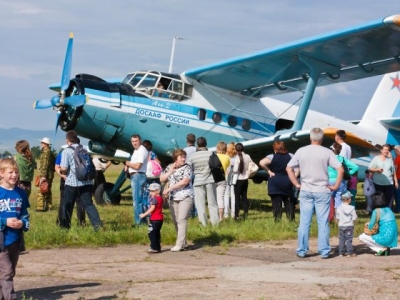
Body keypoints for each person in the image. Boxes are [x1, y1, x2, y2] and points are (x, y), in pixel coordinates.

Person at [286, 127, 344, 259]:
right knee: (322, 222)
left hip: (306, 189)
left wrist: (296, 183)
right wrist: (335, 186)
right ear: (322, 139)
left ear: (310, 138)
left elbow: (289, 167)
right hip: (322, 190)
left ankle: (302, 250)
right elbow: (340, 170)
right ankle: (324, 251)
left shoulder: (301, 151)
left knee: (304, 221)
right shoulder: (327, 152)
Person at [0, 158, 30, 299]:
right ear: (1, 173)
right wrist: (4, 221)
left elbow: (24, 213)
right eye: (10, 172)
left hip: (15, 240)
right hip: (1, 241)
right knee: (6, 272)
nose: (14, 175)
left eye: (16, 172)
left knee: (10, 272)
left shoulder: (21, 193)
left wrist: (23, 223)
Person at [59, 131, 102, 231]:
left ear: (67, 140)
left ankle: (65, 227)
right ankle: (97, 226)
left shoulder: (66, 151)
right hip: (87, 182)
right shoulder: (84, 149)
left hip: (72, 183)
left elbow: (64, 168)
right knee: (88, 204)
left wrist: (62, 171)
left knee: (68, 204)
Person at [160, 149, 194, 251]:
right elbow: (162, 179)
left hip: (185, 196)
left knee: (181, 219)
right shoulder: (170, 166)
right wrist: (171, 171)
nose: (184, 159)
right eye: (181, 157)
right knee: (175, 221)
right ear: (176, 158)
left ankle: (179, 244)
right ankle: (183, 242)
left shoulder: (187, 167)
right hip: (173, 198)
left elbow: (185, 181)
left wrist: (169, 188)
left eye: (184, 157)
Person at [260, 141, 295, 222]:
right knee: (288, 203)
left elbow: (261, 162)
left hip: (274, 182)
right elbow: (298, 165)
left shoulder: (271, 156)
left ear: (274, 149)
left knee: (276, 203)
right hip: (287, 181)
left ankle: (277, 220)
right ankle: (291, 220)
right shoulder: (290, 156)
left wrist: (269, 171)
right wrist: (294, 175)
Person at [187, 137, 218, 226]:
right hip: (210, 180)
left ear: (197, 145)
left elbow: (189, 169)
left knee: (200, 204)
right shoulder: (211, 154)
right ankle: (215, 223)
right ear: (206, 144)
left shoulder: (192, 156)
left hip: (198, 181)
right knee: (212, 203)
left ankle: (203, 223)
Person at [359, 191, 398, 256]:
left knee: (361, 237)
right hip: (393, 237)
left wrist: (367, 224)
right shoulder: (389, 209)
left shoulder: (376, 211)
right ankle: (385, 247)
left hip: (385, 237)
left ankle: (381, 248)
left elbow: (370, 226)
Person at [55, 145, 86, 226]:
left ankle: (62, 221)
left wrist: (61, 175)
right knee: (80, 201)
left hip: (67, 179)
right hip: (81, 179)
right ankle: (82, 222)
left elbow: (57, 166)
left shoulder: (63, 153)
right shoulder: (83, 152)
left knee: (64, 201)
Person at [125, 134, 148, 226]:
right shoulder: (136, 150)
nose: (134, 143)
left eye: (136, 141)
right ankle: (142, 221)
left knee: (137, 200)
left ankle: (138, 222)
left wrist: (127, 163)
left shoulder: (141, 150)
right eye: (133, 141)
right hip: (136, 176)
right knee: (139, 200)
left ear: (140, 141)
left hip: (138, 176)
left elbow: (137, 166)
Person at [328, 142, 358, 210]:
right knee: (339, 199)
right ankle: (338, 216)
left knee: (329, 199)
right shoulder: (343, 159)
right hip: (341, 181)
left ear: (332, 150)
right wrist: (348, 173)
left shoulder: (329, 159)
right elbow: (356, 167)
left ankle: (330, 216)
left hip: (330, 181)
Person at [368, 144, 397, 209]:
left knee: (389, 199)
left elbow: (393, 171)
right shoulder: (376, 158)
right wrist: (376, 169)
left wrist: (396, 181)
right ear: (381, 150)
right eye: (385, 150)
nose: (386, 151)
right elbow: (370, 168)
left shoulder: (390, 159)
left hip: (389, 183)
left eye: (388, 150)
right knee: (379, 199)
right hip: (378, 183)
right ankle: (378, 212)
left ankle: (388, 212)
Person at [139, 183, 164, 253]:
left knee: (151, 233)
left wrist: (144, 214)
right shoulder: (160, 198)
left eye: (152, 191)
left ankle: (154, 247)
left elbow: (152, 208)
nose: (150, 193)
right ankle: (158, 247)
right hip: (160, 219)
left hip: (155, 219)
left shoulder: (155, 199)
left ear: (158, 191)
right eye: (150, 191)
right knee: (157, 233)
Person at [233, 143, 253, 220]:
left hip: (238, 179)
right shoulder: (247, 156)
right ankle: (246, 212)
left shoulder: (237, 158)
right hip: (245, 179)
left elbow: (235, 170)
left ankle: (236, 215)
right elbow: (251, 164)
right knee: (244, 197)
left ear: (236, 150)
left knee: (237, 199)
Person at [335, 191, 358, 257]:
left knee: (341, 239)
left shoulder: (339, 208)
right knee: (349, 239)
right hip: (349, 226)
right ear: (349, 199)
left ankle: (341, 252)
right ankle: (349, 253)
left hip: (341, 225)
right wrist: (354, 220)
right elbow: (354, 217)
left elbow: (337, 217)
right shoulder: (352, 208)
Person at [36, 137, 55, 211]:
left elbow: (44, 164)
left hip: (45, 174)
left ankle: (40, 207)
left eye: (42, 143)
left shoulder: (45, 152)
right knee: (48, 190)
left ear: (45, 144)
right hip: (50, 174)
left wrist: (43, 175)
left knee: (42, 189)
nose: (41, 144)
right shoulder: (50, 152)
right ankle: (49, 206)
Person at [215, 141, 230, 221]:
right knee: (220, 198)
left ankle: (215, 216)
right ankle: (221, 217)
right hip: (222, 178)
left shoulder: (214, 156)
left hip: (213, 179)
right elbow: (227, 167)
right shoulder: (227, 157)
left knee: (213, 198)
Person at [183, 133, 197, 218]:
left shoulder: (185, 150)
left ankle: (189, 211)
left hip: (188, 172)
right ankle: (195, 212)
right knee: (196, 193)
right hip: (196, 172)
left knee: (188, 192)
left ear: (187, 141)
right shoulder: (197, 150)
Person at [224, 142, 236, 219]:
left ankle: (226, 213)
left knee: (226, 195)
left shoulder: (226, 157)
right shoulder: (236, 158)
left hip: (226, 177)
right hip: (234, 178)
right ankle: (233, 213)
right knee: (233, 196)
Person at [393, 145, 400, 213]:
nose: (394, 152)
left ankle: (398, 208)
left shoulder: (397, 158)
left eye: (395, 151)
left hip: (398, 178)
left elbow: (395, 169)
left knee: (397, 194)